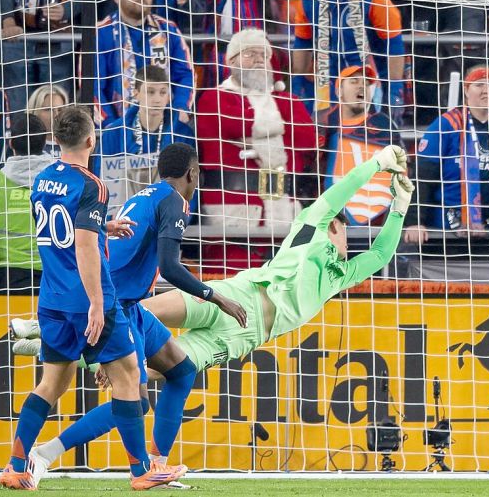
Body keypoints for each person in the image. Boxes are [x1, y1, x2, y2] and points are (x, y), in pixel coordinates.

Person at [13, 144, 247, 485]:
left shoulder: (147, 194)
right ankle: (45, 455)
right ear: (193, 174)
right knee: (134, 401)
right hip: (115, 306)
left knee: (181, 371)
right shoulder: (175, 202)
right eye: (198, 174)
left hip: (127, 304)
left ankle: (157, 464)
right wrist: (215, 296)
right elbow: (169, 265)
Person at [0, 107, 186, 491]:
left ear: (58, 140)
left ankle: (16, 466)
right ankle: (141, 472)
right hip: (86, 299)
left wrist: (104, 226)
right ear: (90, 140)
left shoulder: (44, 178)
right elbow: (82, 245)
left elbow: (60, 230)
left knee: (51, 384)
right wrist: (98, 303)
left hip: (50, 298)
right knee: (129, 377)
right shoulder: (93, 185)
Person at [136, 148, 409, 372]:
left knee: (150, 374)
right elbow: (343, 190)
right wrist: (377, 163)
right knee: (141, 312)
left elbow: (380, 254)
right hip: (237, 297)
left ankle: (106, 363)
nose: (349, 244)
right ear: (334, 225)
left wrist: (400, 207)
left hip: (242, 338)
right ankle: (98, 337)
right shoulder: (311, 225)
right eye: (346, 232)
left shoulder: (339, 277)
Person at [196, 28, 318, 272]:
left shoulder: (288, 99)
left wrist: (257, 136)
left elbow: (309, 139)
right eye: (249, 54)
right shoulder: (213, 98)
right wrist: (280, 132)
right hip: (231, 217)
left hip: (283, 209)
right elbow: (233, 123)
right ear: (231, 61)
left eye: (264, 54)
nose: (259, 60)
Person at [404, 65, 489, 244]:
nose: (486, 91)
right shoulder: (446, 125)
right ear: (466, 90)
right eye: (479, 85)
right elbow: (422, 179)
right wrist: (415, 222)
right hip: (446, 233)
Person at [291, 0, 406, 114]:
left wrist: (394, 90)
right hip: (327, 83)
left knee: (369, 134)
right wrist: (297, 84)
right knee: (326, 133)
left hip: (368, 84)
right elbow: (302, 43)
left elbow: (394, 47)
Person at [94, 0, 194, 127]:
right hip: (117, 126)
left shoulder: (168, 29)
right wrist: (111, 125)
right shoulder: (102, 32)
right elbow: (93, 85)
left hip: (165, 125)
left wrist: (180, 108)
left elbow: (186, 74)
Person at [97, 65, 196, 210]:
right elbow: (101, 181)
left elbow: (192, 185)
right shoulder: (114, 133)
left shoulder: (183, 134)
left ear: (169, 96)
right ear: (136, 94)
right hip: (123, 218)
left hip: (168, 217)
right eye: (150, 92)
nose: (157, 99)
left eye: (162, 93)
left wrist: (180, 219)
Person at [318, 64, 402, 226]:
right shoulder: (323, 122)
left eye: (366, 83)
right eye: (354, 81)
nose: (361, 86)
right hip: (327, 219)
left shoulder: (383, 125)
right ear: (339, 91)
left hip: (377, 222)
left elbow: (402, 173)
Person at [0, 0, 79, 117]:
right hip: (18, 37)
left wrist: (67, 10)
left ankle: (57, 142)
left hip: (60, 37)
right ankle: (20, 141)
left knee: (58, 108)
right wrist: (7, 18)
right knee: (18, 107)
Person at [0, 116, 55, 292]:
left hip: (3, 281)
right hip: (51, 279)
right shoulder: (62, 182)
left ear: (10, 144)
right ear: (45, 143)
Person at [26, 85, 69, 158]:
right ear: (34, 111)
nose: (56, 115)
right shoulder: (24, 145)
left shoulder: (74, 144)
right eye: (48, 109)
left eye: (60, 110)